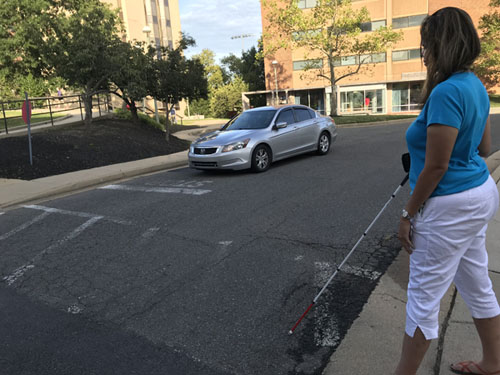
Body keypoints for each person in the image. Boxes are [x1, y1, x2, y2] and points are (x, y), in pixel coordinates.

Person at [395, 7, 500, 375]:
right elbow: (484, 149)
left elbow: (438, 166)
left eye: (425, 45)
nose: (424, 52)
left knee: (422, 298)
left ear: (439, 44)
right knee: (476, 283)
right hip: (479, 194)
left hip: (449, 207)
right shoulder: (474, 85)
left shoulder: (446, 91)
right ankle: (492, 362)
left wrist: (408, 213)